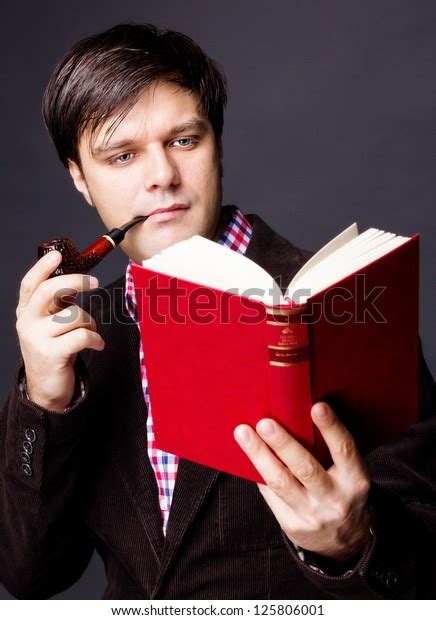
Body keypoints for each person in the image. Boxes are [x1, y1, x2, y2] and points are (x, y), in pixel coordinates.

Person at [0, 23, 435, 600]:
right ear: (79, 177)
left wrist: (353, 543)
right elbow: (31, 578)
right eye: (122, 155)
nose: (161, 177)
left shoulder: (338, 299)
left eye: (184, 140)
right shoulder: (78, 334)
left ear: (218, 144)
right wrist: (43, 402)